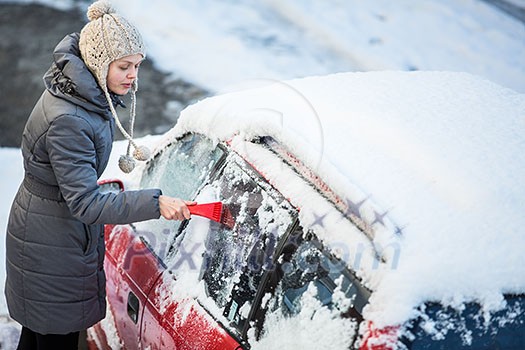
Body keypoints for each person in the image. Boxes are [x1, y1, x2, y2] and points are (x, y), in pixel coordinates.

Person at [4, 1, 193, 348]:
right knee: (52, 339)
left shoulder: (82, 95)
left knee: (39, 337)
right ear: (97, 62)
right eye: (124, 66)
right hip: (52, 244)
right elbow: (86, 204)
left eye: (137, 65)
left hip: (50, 231)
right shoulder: (70, 120)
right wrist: (156, 202)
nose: (133, 75)